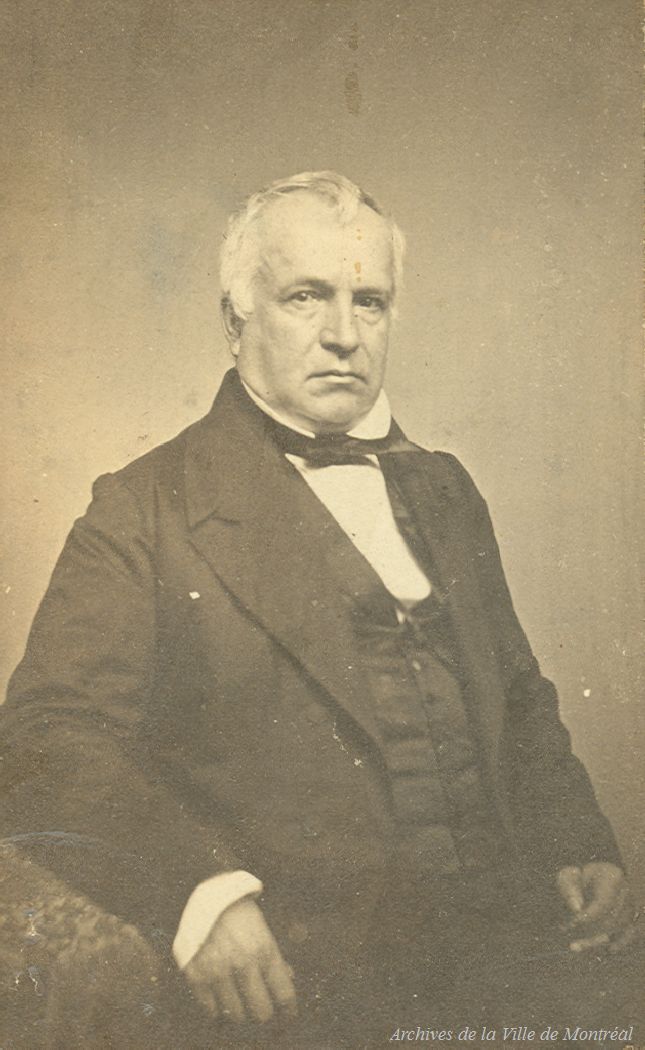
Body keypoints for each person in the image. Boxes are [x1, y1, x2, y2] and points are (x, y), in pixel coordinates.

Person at [1, 171, 641, 1048]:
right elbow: (46, 740)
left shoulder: (445, 490)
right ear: (235, 320)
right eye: (306, 297)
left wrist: (574, 836)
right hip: (304, 990)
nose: (344, 335)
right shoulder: (143, 507)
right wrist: (199, 891)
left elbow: (517, 694)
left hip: (504, 960)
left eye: (368, 302)